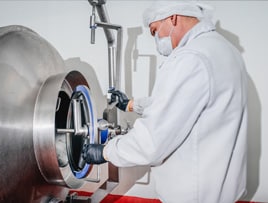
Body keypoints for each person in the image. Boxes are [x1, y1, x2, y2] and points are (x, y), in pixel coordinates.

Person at [83, 1, 248, 202]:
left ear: (173, 18)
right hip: (223, 189)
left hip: (194, 195)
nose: (156, 40)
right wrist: (131, 105)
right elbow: (187, 104)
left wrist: (106, 152)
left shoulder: (190, 57)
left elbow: (153, 140)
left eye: (154, 31)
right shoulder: (223, 49)